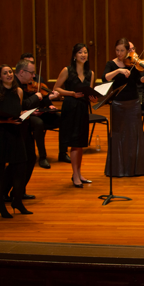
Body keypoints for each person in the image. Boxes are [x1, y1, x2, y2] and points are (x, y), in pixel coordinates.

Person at [0, 65, 33, 218]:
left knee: (20, 166)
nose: (8, 75)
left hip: (14, 132)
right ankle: (0, 204)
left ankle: (17, 201)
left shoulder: (18, 91)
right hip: (0, 133)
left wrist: (23, 114)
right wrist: (11, 121)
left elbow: (16, 110)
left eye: (10, 72)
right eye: (5, 73)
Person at [102, 38, 144, 177]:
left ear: (128, 50)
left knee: (133, 136)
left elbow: (139, 81)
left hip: (133, 103)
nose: (119, 53)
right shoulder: (111, 64)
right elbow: (105, 77)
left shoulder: (133, 63)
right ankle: (118, 169)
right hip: (118, 104)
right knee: (118, 135)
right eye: (117, 50)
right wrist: (118, 71)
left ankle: (135, 169)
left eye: (122, 50)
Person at [54, 43, 98, 188]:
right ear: (74, 55)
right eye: (80, 52)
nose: (83, 55)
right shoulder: (67, 70)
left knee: (80, 144)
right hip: (70, 107)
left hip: (82, 108)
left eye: (85, 52)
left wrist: (93, 97)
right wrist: (71, 93)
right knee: (74, 143)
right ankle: (75, 175)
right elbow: (57, 89)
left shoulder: (90, 73)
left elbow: (89, 91)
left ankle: (78, 173)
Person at [20, 53, 68, 168]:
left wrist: (50, 105)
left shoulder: (38, 79)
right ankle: (42, 156)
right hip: (26, 114)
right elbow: (22, 104)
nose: (31, 66)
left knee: (62, 118)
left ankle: (63, 152)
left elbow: (43, 98)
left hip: (40, 111)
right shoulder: (19, 83)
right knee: (38, 123)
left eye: (32, 63)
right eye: (28, 63)